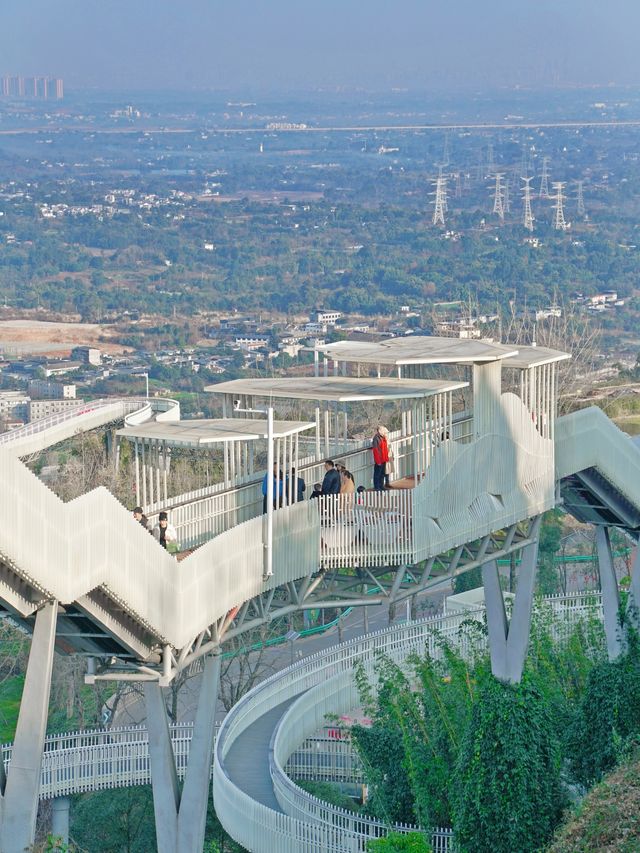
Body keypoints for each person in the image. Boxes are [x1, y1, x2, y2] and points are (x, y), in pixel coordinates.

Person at [372, 425, 390, 491]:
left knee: (382, 473)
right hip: (379, 459)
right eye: (383, 431)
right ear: (379, 431)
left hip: (383, 459)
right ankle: (377, 487)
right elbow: (375, 450)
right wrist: (378, 461)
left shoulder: (383, 438)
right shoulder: (376, 438)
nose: (384, 433)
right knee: (377, 474)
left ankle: (381, 486)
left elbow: (385, 449)